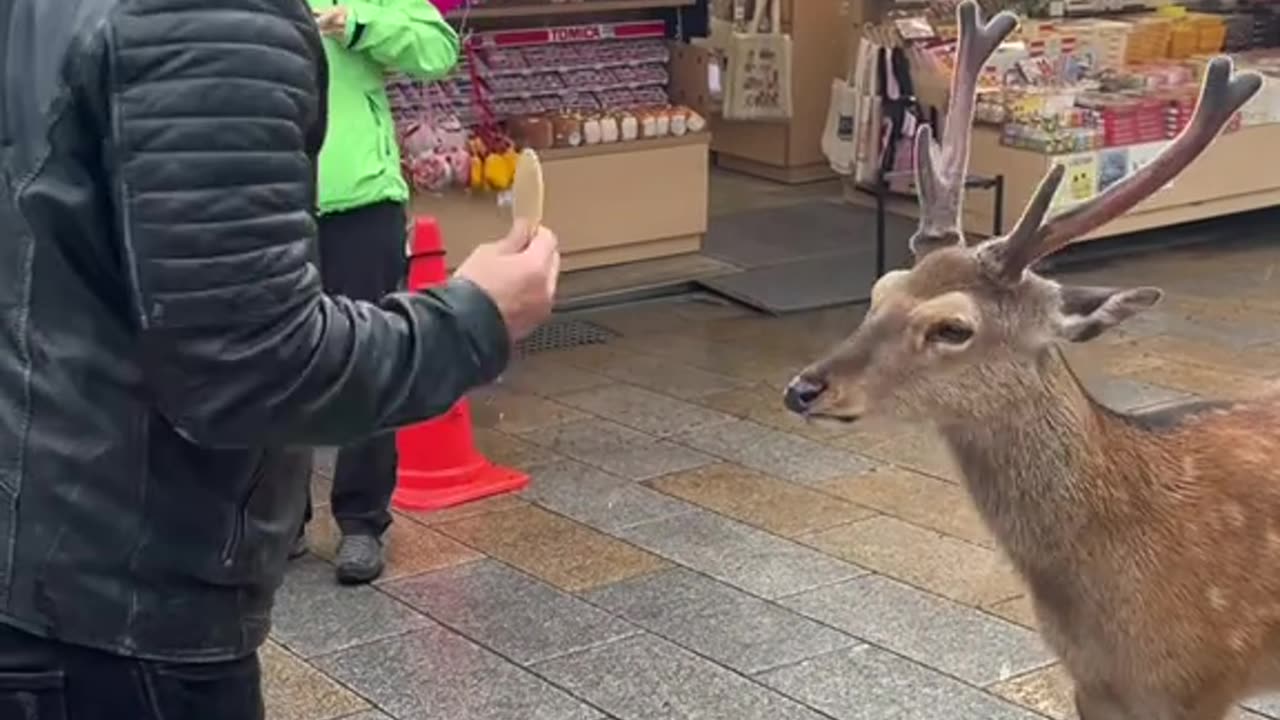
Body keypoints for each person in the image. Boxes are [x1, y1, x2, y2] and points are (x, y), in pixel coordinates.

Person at [0, 0, 558, 718]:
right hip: (126, 605)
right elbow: (248, 366)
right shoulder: (210, 14)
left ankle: (360, 518)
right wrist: (476, 319)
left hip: (48, 548)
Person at [295, 1, 463, 585]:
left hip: (362, 200)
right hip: (268, 197)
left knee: (367, 360)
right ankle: (280, 517)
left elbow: (437, 50)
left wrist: (360, 23)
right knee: (270, 361)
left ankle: (362, 520)